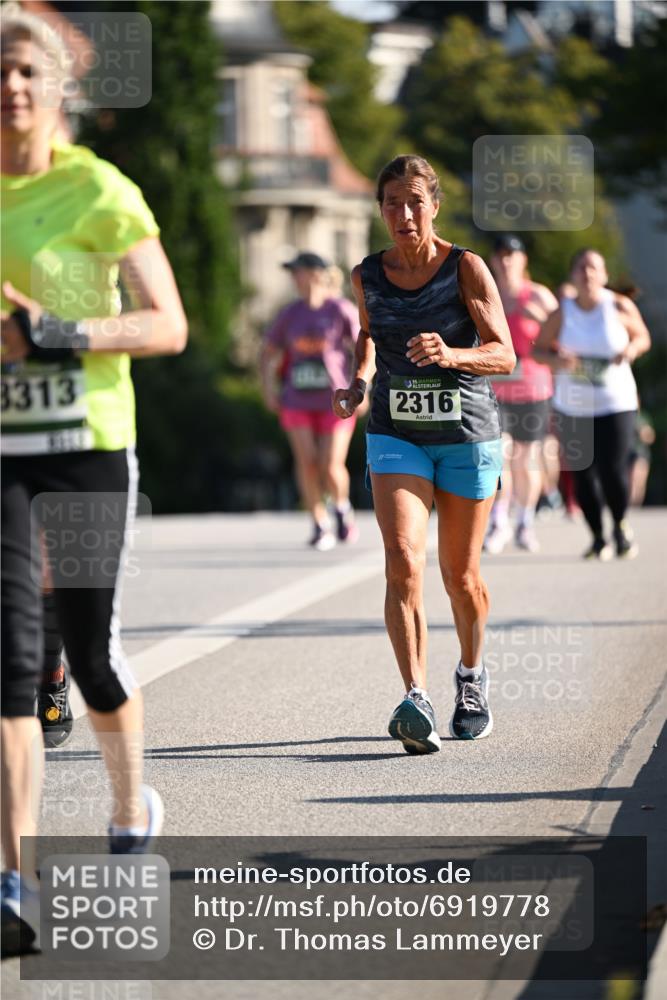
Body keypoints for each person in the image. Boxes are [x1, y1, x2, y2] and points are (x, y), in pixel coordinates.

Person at [1, 8, 187, 952]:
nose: (11, 87)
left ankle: (127, 807)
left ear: (57, 89)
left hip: (85, 444)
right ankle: (13, 880)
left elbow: (168, 325)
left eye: (27, 73)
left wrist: (53, 332)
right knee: (9, 663)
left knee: (90, 654)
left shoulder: (99, 190)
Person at [333, 155, 515, 753]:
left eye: (415, 201)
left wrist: (453, 354)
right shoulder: (367, 274)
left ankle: (471, 677)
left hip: (465, 435)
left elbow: (504, 353)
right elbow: (368, 334)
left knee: (460, 576)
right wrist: (358, 384)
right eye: (392, 203)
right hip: (397, 433)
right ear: (381, 210)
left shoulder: (466, 268)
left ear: (434, 205)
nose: (404, 214)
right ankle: (416, 697)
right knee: (402, 560)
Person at [534, 249, 650, 560]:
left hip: (616, 401)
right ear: (573, 274)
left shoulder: (618, 305)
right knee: (582, 473)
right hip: (573, 405)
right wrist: (558, 360)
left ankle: (620, 526)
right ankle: (598, 537)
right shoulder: (562, 312)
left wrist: (631, 350)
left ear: (604, 274)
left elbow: (643, 337)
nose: (587, 273)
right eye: (581, 267)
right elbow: (538, 350)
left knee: (612, 468)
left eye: (593, 268)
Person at [261, 252, 361, 550]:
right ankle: (319, 523)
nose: (294, 277)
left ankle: (341, 507)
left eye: (298, 271)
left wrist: (362, 388)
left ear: (316, 274)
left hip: (336, 400)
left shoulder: (340, 309)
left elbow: (364, 348)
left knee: (330, 465)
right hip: (296, 399)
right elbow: (267, 352)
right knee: (307, 463)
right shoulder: (290, 313)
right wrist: (269, 389)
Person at [486, 235, 559, 553]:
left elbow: (566, 337)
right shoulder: (486, 294)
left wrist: (540, 320)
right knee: (499, 455)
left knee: (526, 459)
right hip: (495, 391)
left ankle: (525, 522)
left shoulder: (539, 296)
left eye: (512, 255)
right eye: (501, 255)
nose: (506, 261)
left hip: (533, 389)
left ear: (523, 260)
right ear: (493, 261)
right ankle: (499, 521)